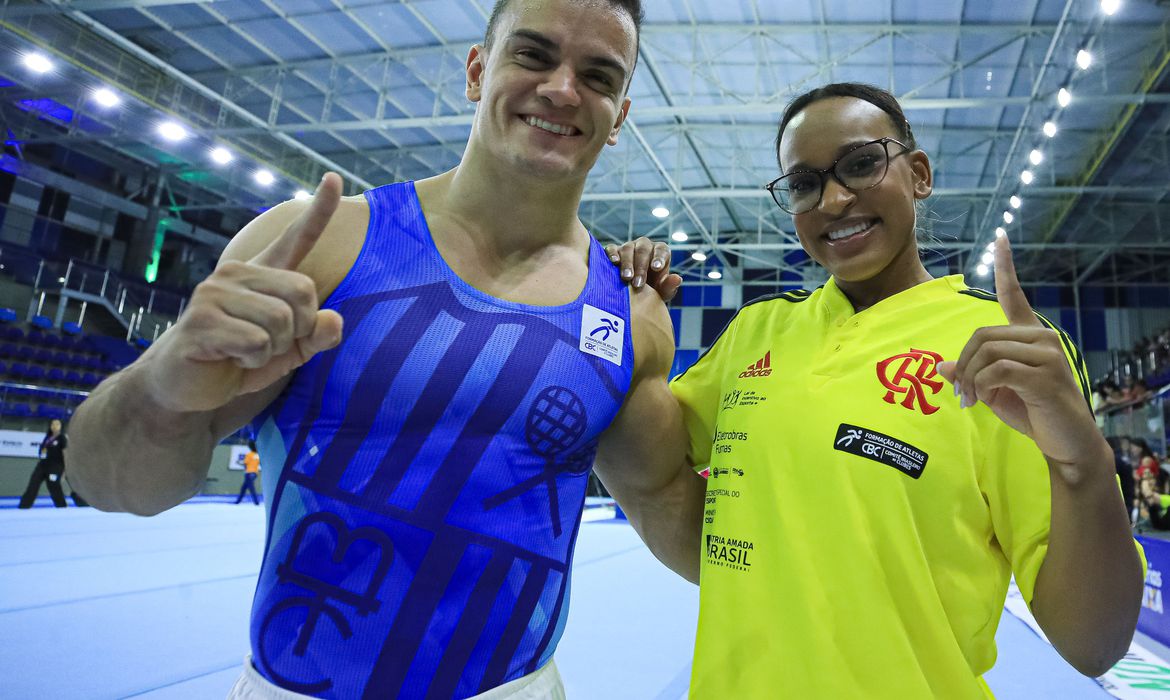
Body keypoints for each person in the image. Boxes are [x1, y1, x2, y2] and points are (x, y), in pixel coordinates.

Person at [66, 1, 678, 697]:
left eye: (598, 76)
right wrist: (157, 389)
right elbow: (110, 486)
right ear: (478, 71)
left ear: (620, 115)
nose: (563, 90)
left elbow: (670, 508)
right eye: (533, 55)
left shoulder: (630, 313)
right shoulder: (319, 244)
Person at [600, 82, 1144, 697]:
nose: (833, 199)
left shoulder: (1002, 352)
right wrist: (615, 310)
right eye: (804, 183)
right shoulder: (757, 332)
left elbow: (1094, 643)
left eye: (861, 164)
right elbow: (653, 477)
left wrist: (1085, 464)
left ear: (918, 174)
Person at [18, 418, 68, 509]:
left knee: (55, 488)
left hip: (55, 467)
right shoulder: (47, 437)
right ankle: (23, 507)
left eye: (57, 424)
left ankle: (62, 508)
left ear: (61, 426)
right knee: (32, 485)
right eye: (53, 424)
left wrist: (64, 472)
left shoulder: (62, 438)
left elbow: (66, 455)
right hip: (42, 466)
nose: (54, 426)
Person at [235, 440, 261, 505]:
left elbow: (245, 465)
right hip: (255, 473)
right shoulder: (257, 455)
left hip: (249, 473)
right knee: (244, 487)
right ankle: (238, 501)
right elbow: (258, 463)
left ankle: (256, 502)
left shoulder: (249, 455)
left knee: (251, 488)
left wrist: (238, 463)